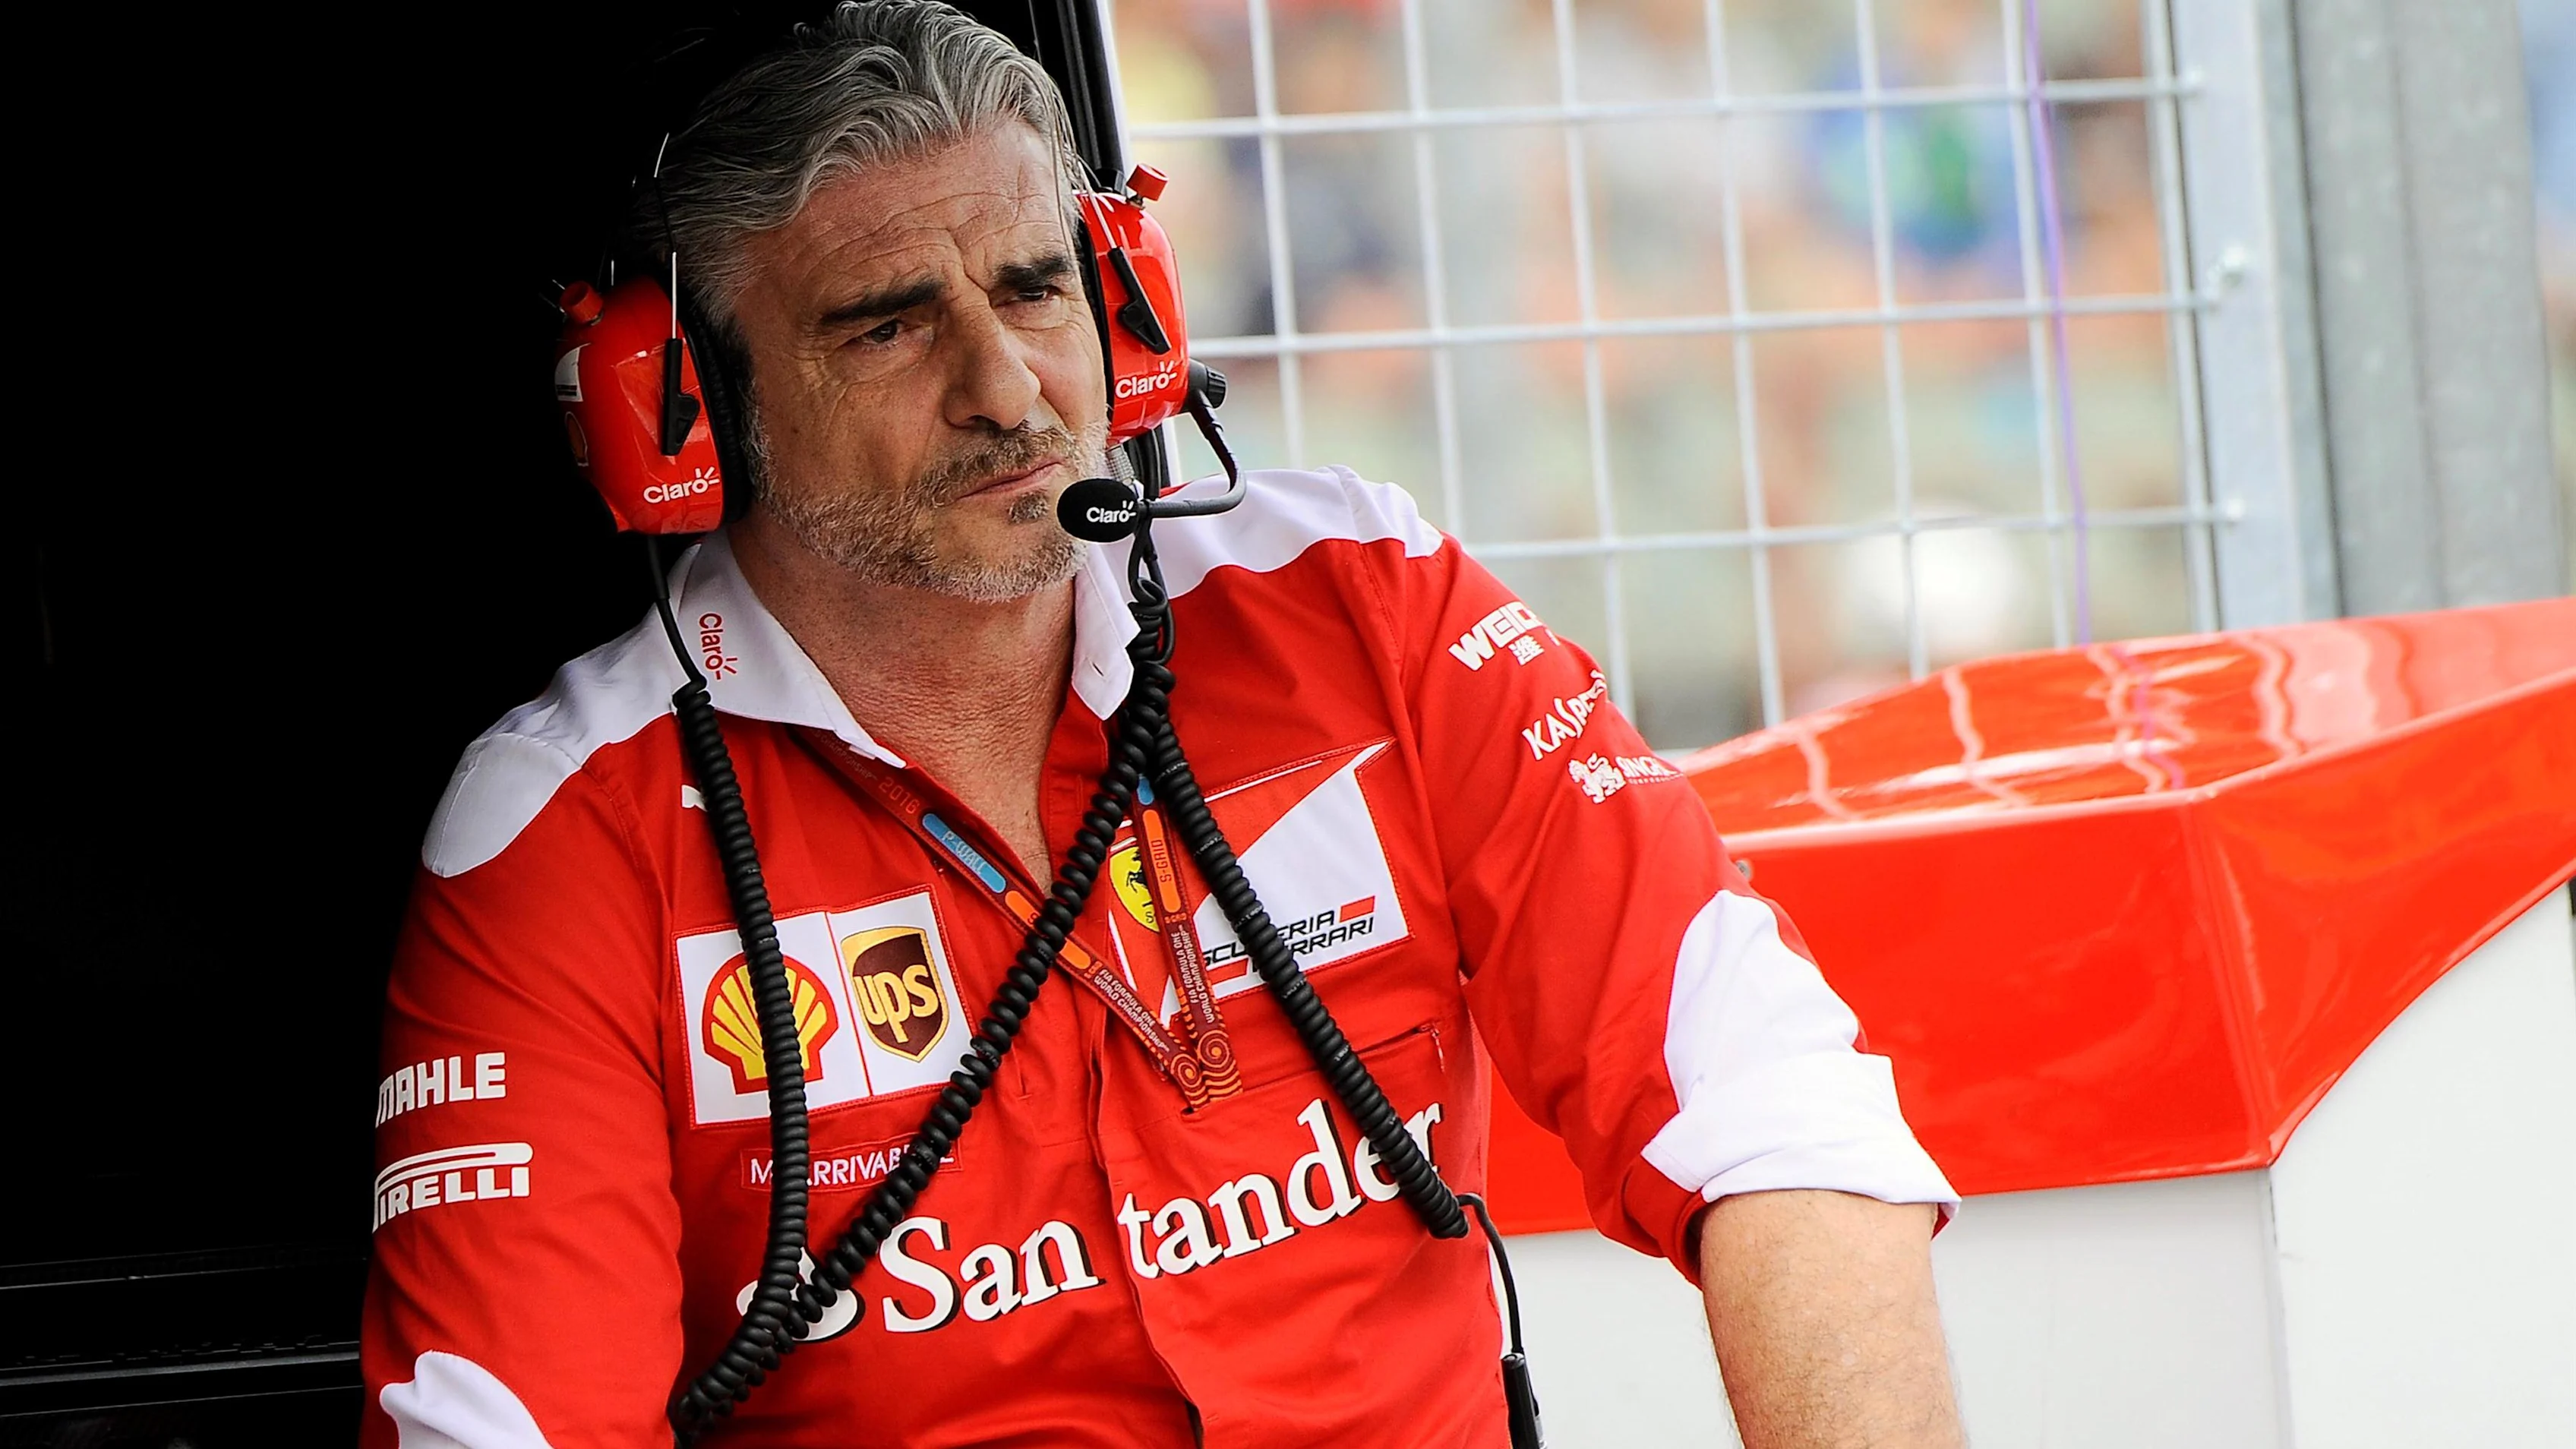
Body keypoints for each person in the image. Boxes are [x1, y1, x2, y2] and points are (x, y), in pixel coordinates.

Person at [361, 4, 1964, 1445]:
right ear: (688, 406)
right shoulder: (561, 831)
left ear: (1122, 300)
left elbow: (1766, 1100)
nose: (1007, 386)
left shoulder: (1370, 606)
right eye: (886, 324)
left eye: (1036, 286)